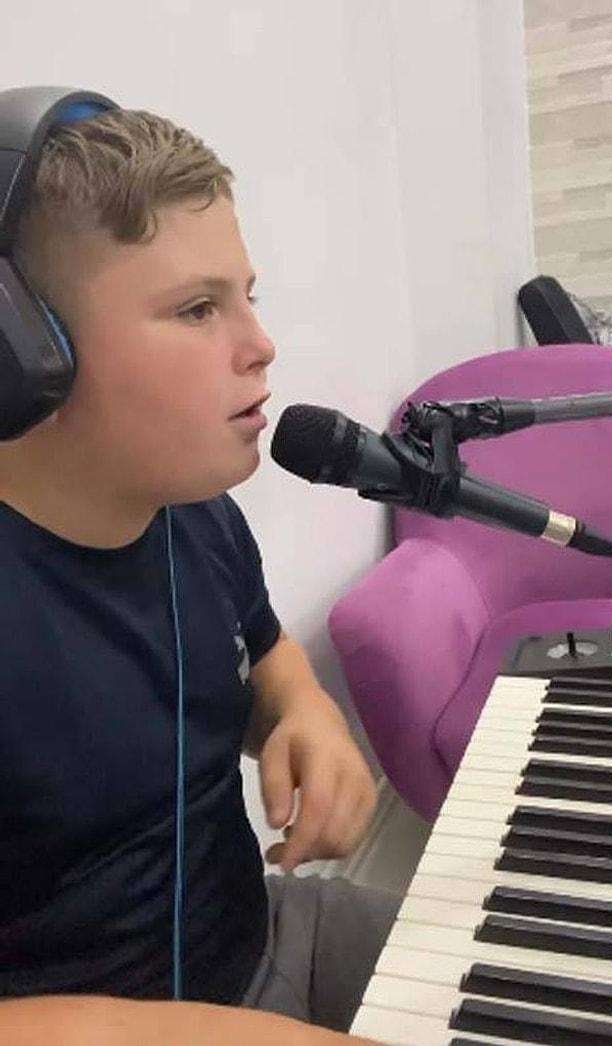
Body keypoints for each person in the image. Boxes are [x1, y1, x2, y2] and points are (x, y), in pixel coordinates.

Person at [0, 105, 402, 1042]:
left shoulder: (196, 513)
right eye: (196, 308)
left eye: (246, 296)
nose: (260, 343)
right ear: (25, 356)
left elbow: (261, 650)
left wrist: (304, 711)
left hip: (265, 935)